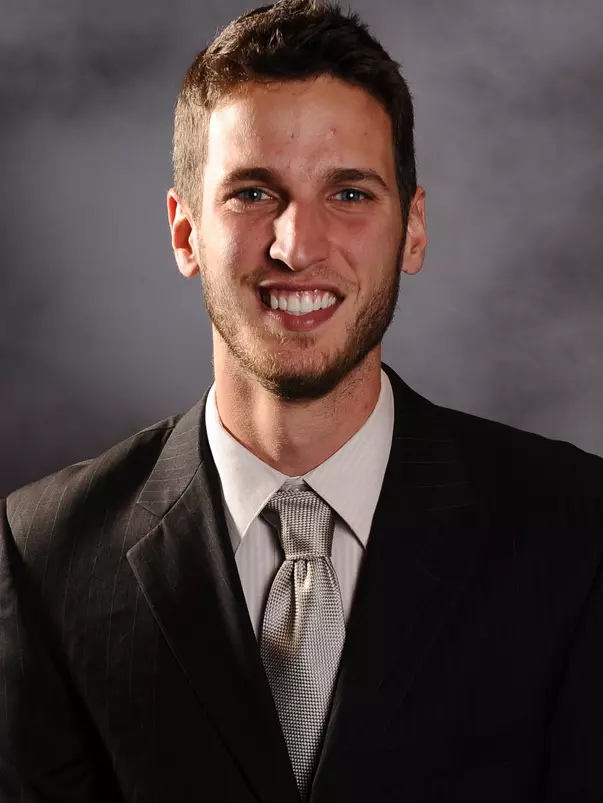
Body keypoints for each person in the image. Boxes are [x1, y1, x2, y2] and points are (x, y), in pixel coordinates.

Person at [1, 0, 603, 800]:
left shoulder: (576, 530)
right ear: (185, 234)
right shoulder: (42, 551)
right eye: (253, 193)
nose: (297, 245)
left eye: (349, 194)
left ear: (412, 230)